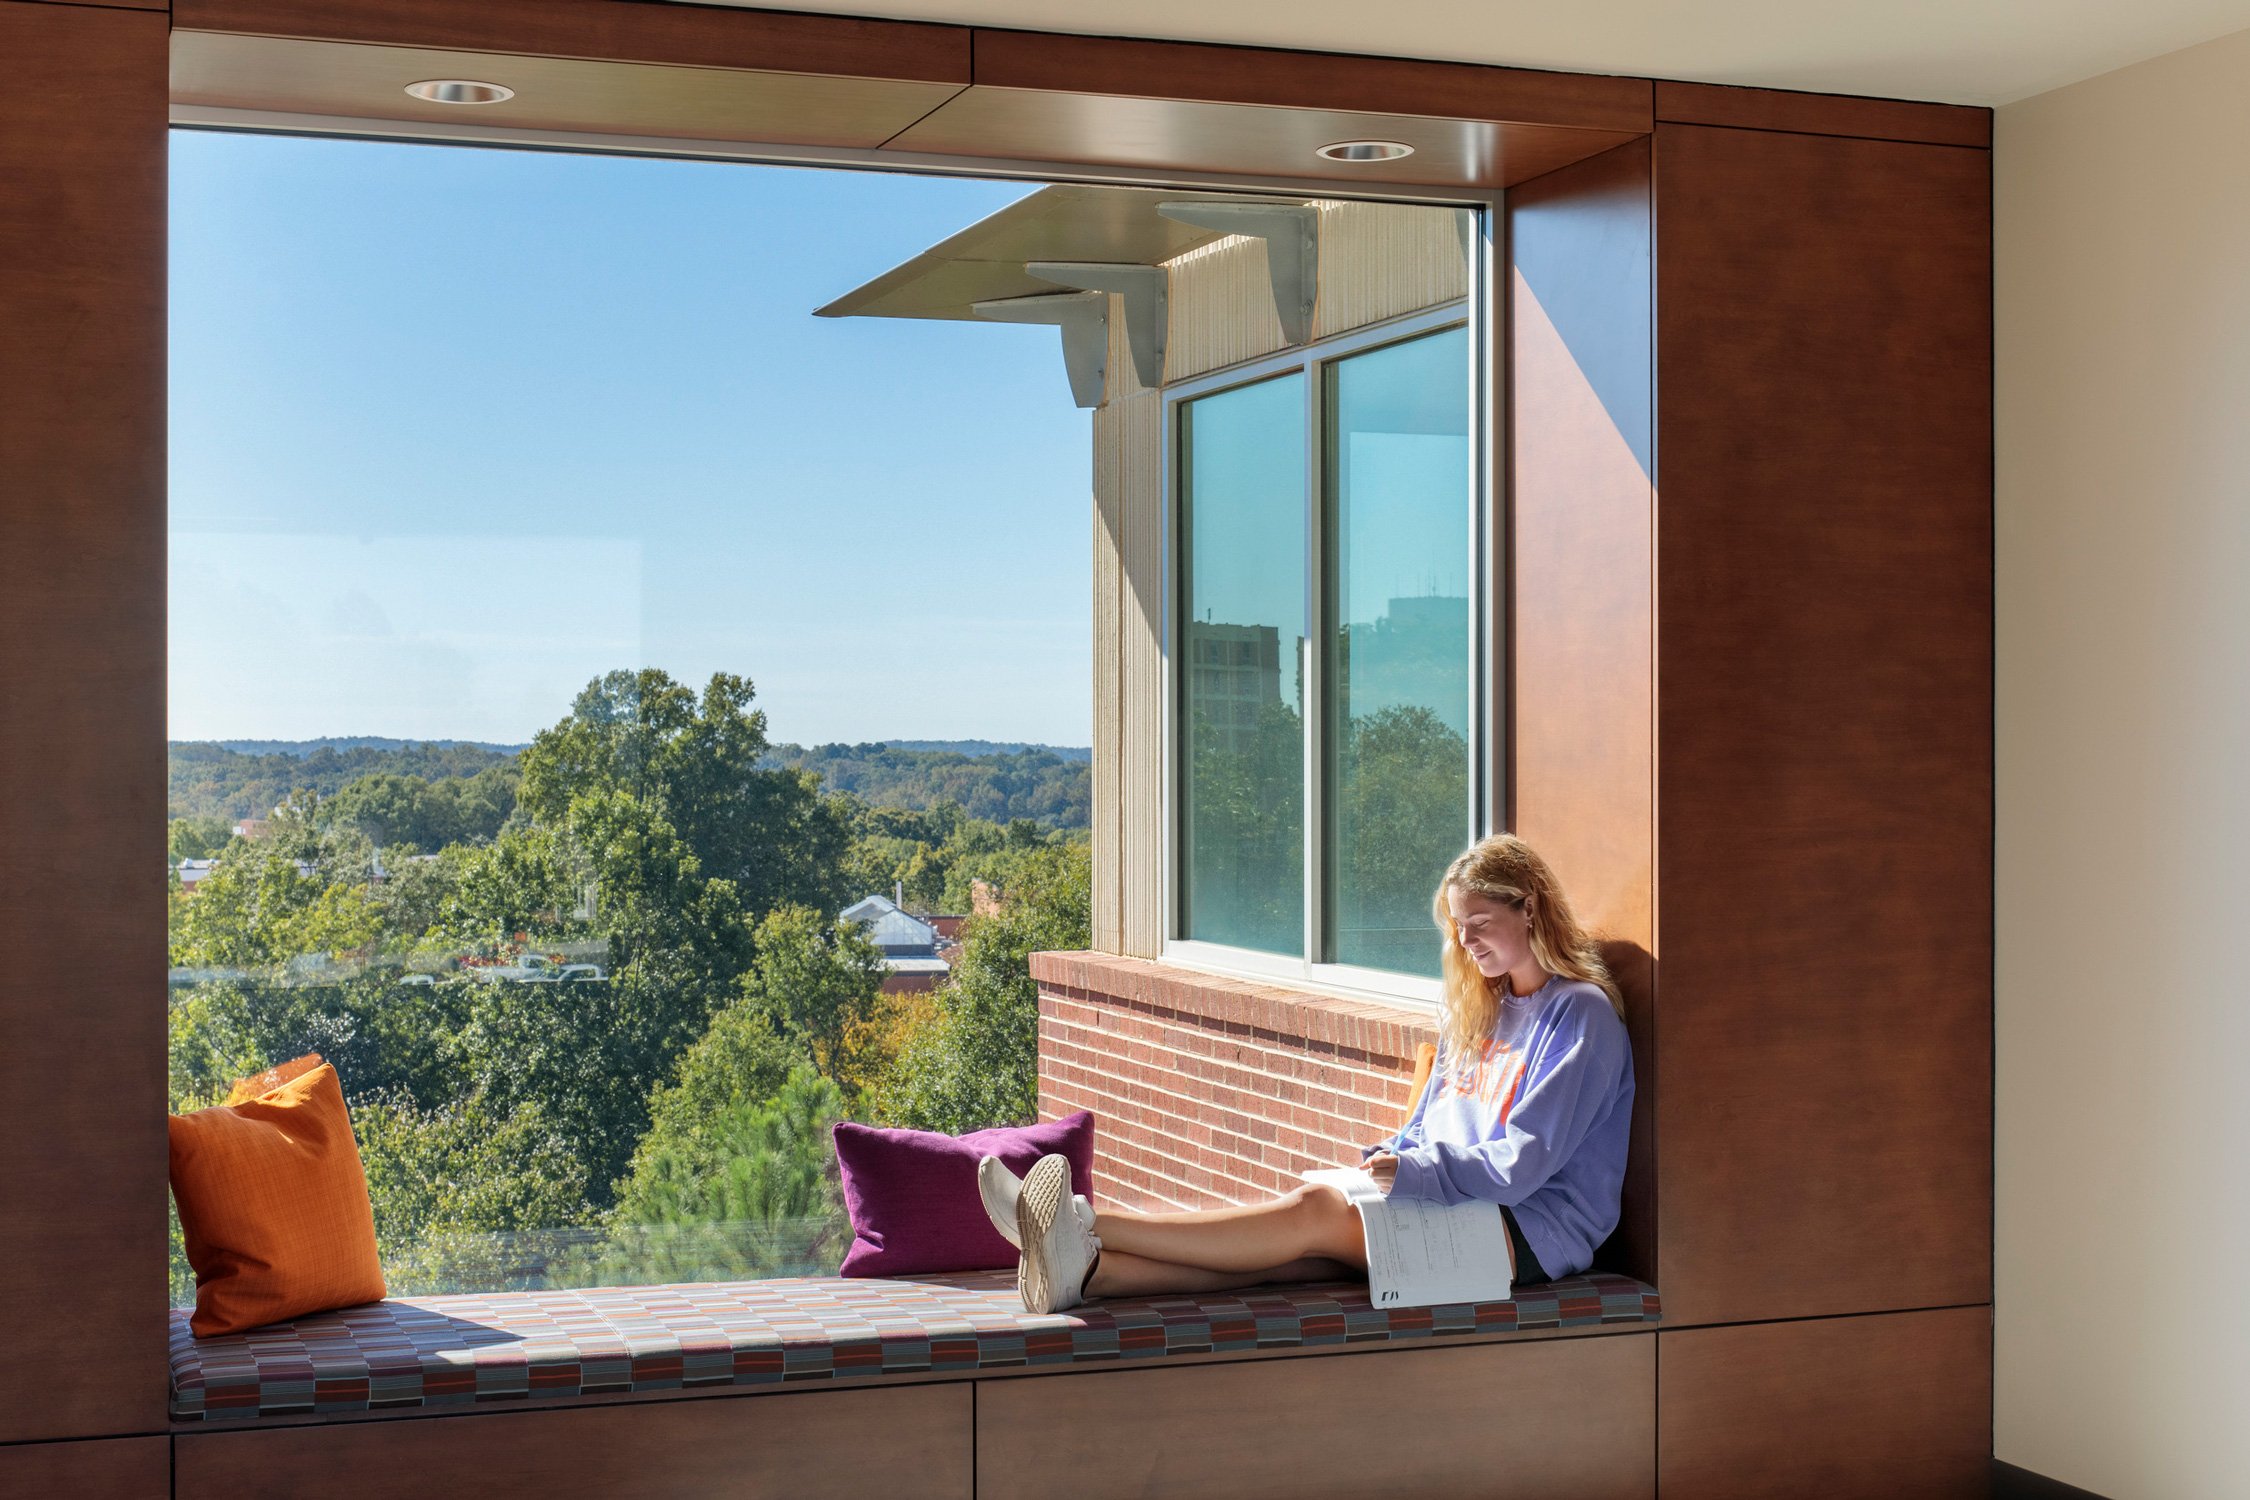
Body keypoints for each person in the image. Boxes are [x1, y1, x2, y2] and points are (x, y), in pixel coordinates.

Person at [979, 832, 1638, 1315]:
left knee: (1311, 1211)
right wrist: (1397, 1155)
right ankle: (1088, 1274)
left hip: (1530, 1232)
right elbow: (1434, 1119)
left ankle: (1081, 1222)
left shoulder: (1580, 1018)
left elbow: (1522, 1165)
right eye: (1458, 928)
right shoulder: (1483, 1007)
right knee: (1294, 1257)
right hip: (1470, 1203)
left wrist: (1418, 1174)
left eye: (1481, 924)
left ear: (1529, 908)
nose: (1466, 943)